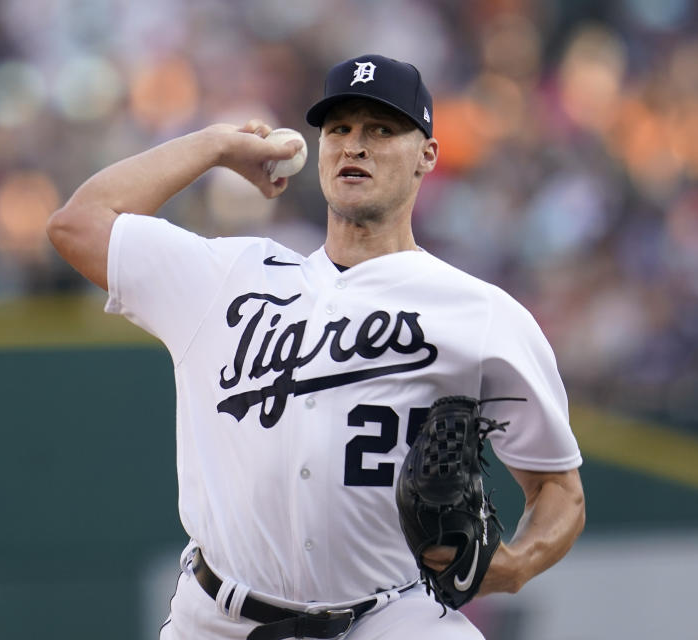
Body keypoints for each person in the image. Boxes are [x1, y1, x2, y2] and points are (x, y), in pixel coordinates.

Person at [47, 54, 585, 640]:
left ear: (426, 155)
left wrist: (516, 565)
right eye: (340, 129)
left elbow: (558, 489)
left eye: (381, 130)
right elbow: (78, 223)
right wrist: (214, 147)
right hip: (219, 619)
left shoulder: (478, 313)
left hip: (391, 617)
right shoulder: (230, 276)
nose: (355, 145)